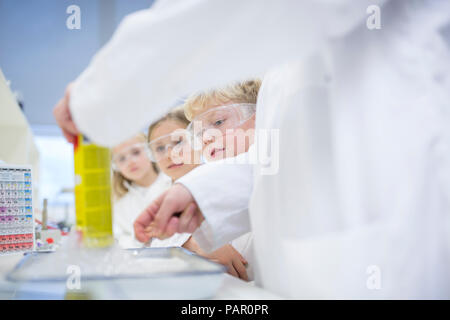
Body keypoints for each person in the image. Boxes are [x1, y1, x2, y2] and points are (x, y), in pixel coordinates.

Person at [54, 0, 450, 298]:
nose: (205, 138)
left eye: (218, 122)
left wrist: (95, 97)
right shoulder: (290, 64)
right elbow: (276, 157)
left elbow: (223, 13)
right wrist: (200, 194)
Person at [145, 107, 250, 281]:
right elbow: (151, 247)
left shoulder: (225, 178)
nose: (171, 154)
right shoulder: (155, 196)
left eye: (179, 142)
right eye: (160, 148)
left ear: (197, 139)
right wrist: (194, 242)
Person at [111, 133, 196, 250]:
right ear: (115, 166)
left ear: (150, 152)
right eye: (121, 159)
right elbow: (120, 241)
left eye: (136, 152)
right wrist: (137, 239)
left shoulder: (174, 182)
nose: (130, 162)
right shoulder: (118, 205)